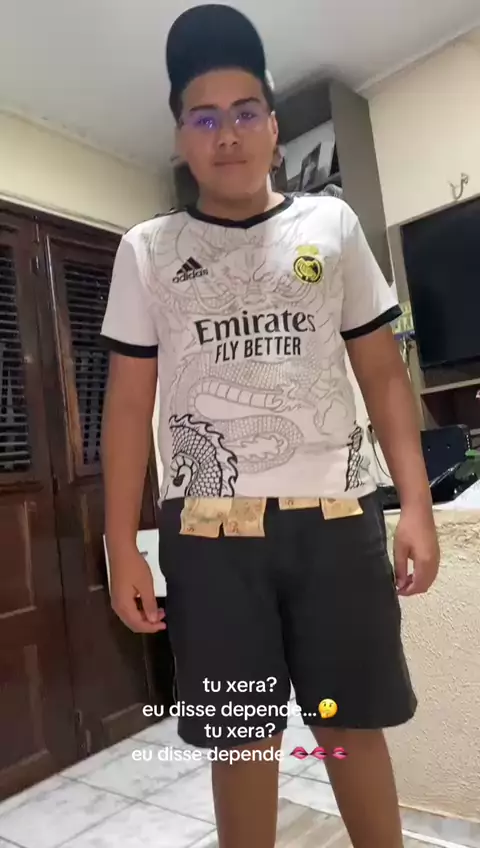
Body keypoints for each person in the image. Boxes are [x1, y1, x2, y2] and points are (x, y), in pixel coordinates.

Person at [100, 5, 440, 847]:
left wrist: (416, 506)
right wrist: (119, 546)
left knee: (350, 725)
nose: (227, 134)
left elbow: (382, 375)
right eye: (204, 117)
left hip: (338, 523)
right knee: (242, 741)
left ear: (274, 127)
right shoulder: (146, 250)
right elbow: (129, 405)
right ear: (180, 137)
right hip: (209, 539)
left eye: (245, 111)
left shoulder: (331, 226)